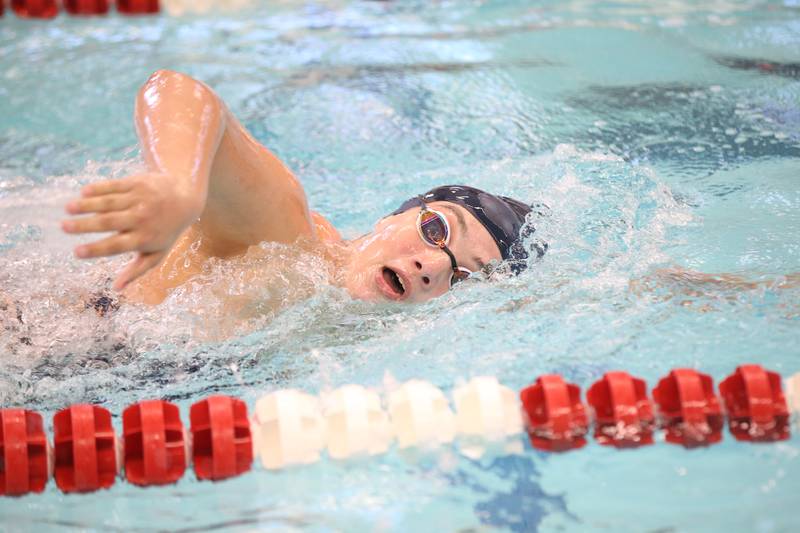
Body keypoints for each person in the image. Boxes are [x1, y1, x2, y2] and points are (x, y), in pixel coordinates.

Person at [60, 70, 542, 311]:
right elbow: (177, 90)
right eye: (436, 229)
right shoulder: (283, 241)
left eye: (463, 279)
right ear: (393, 216)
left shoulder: (347, 334)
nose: (432, 267)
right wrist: (178, 186)